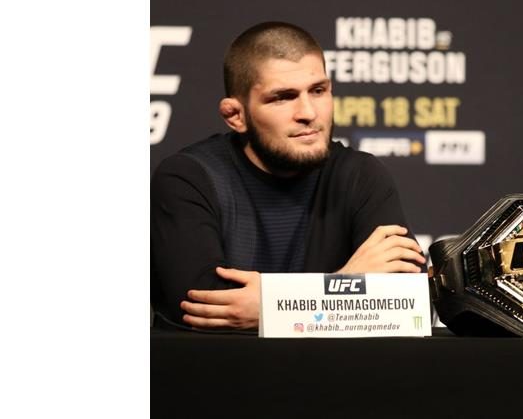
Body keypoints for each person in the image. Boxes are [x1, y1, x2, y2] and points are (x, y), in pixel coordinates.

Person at [151, 21, 425, 330]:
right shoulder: (188, 179)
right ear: (235, 115)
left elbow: (410, 307)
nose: (308, 112)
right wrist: (348, 282)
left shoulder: (360, 175)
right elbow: (205, 308)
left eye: (318, 91)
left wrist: (271, 306)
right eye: (282, 97)